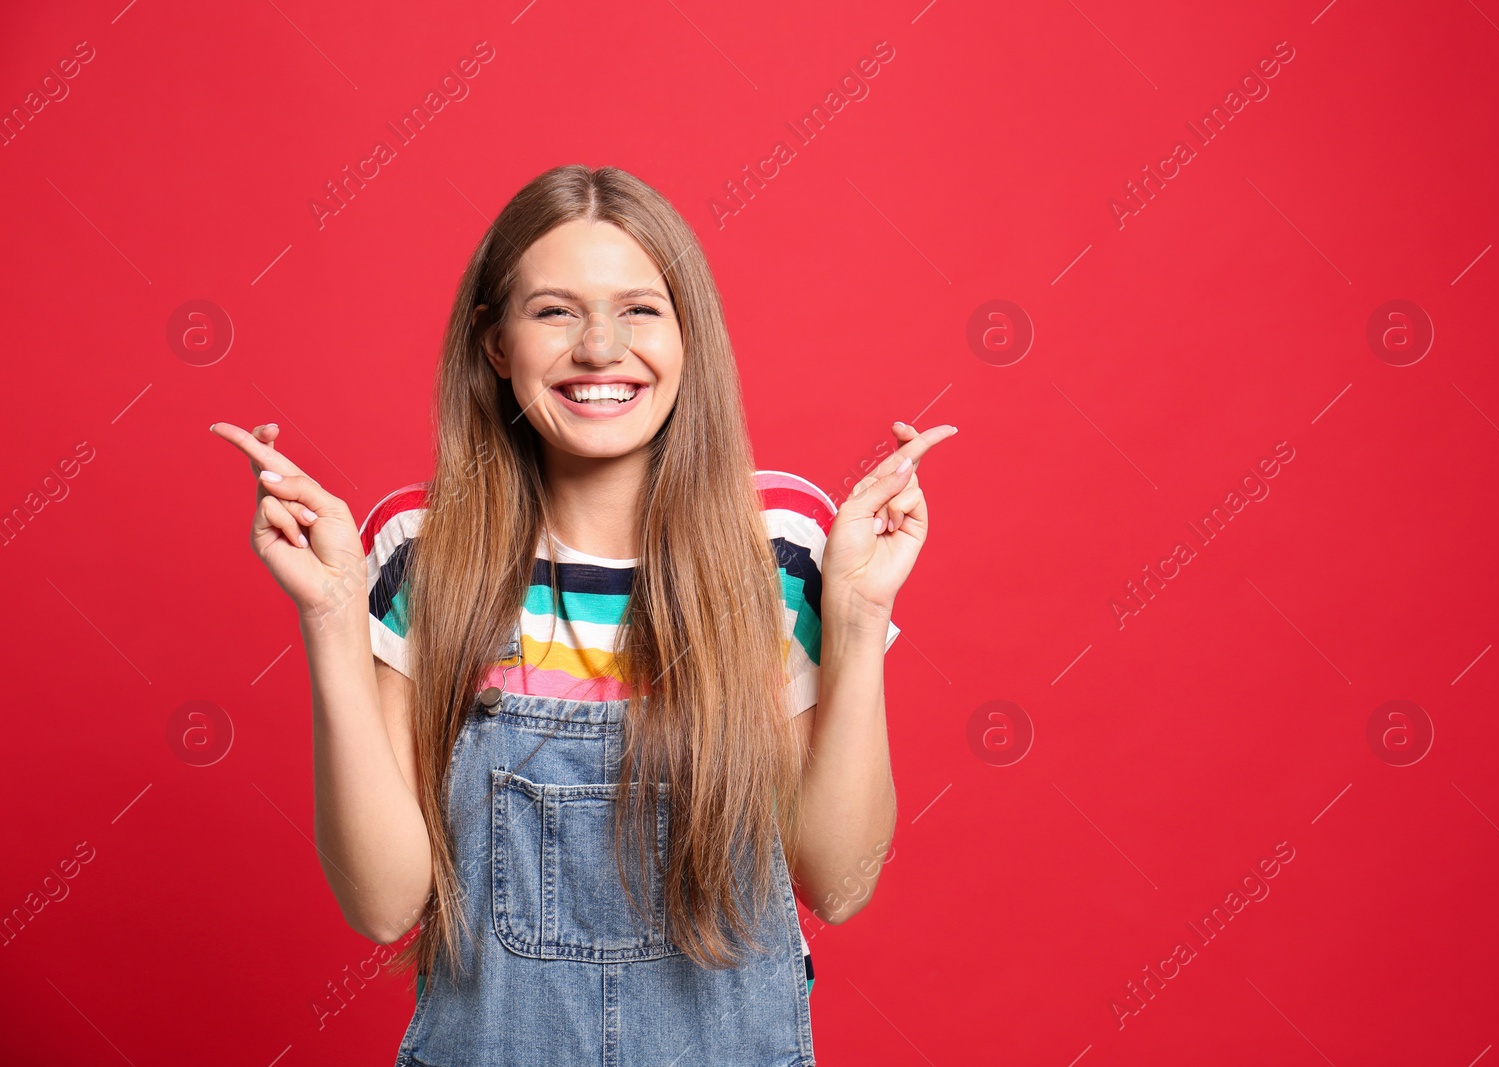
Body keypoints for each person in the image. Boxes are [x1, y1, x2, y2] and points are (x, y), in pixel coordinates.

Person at [210, 163, 955, 1065]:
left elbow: (837, 883)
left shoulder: (781, 547)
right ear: (493, 344)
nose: (602, 347)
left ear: (689, 338)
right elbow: (384, 905)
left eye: (641, 309)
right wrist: (330, 615)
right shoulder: (423, 551)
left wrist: (863, 612)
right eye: (555, 310)